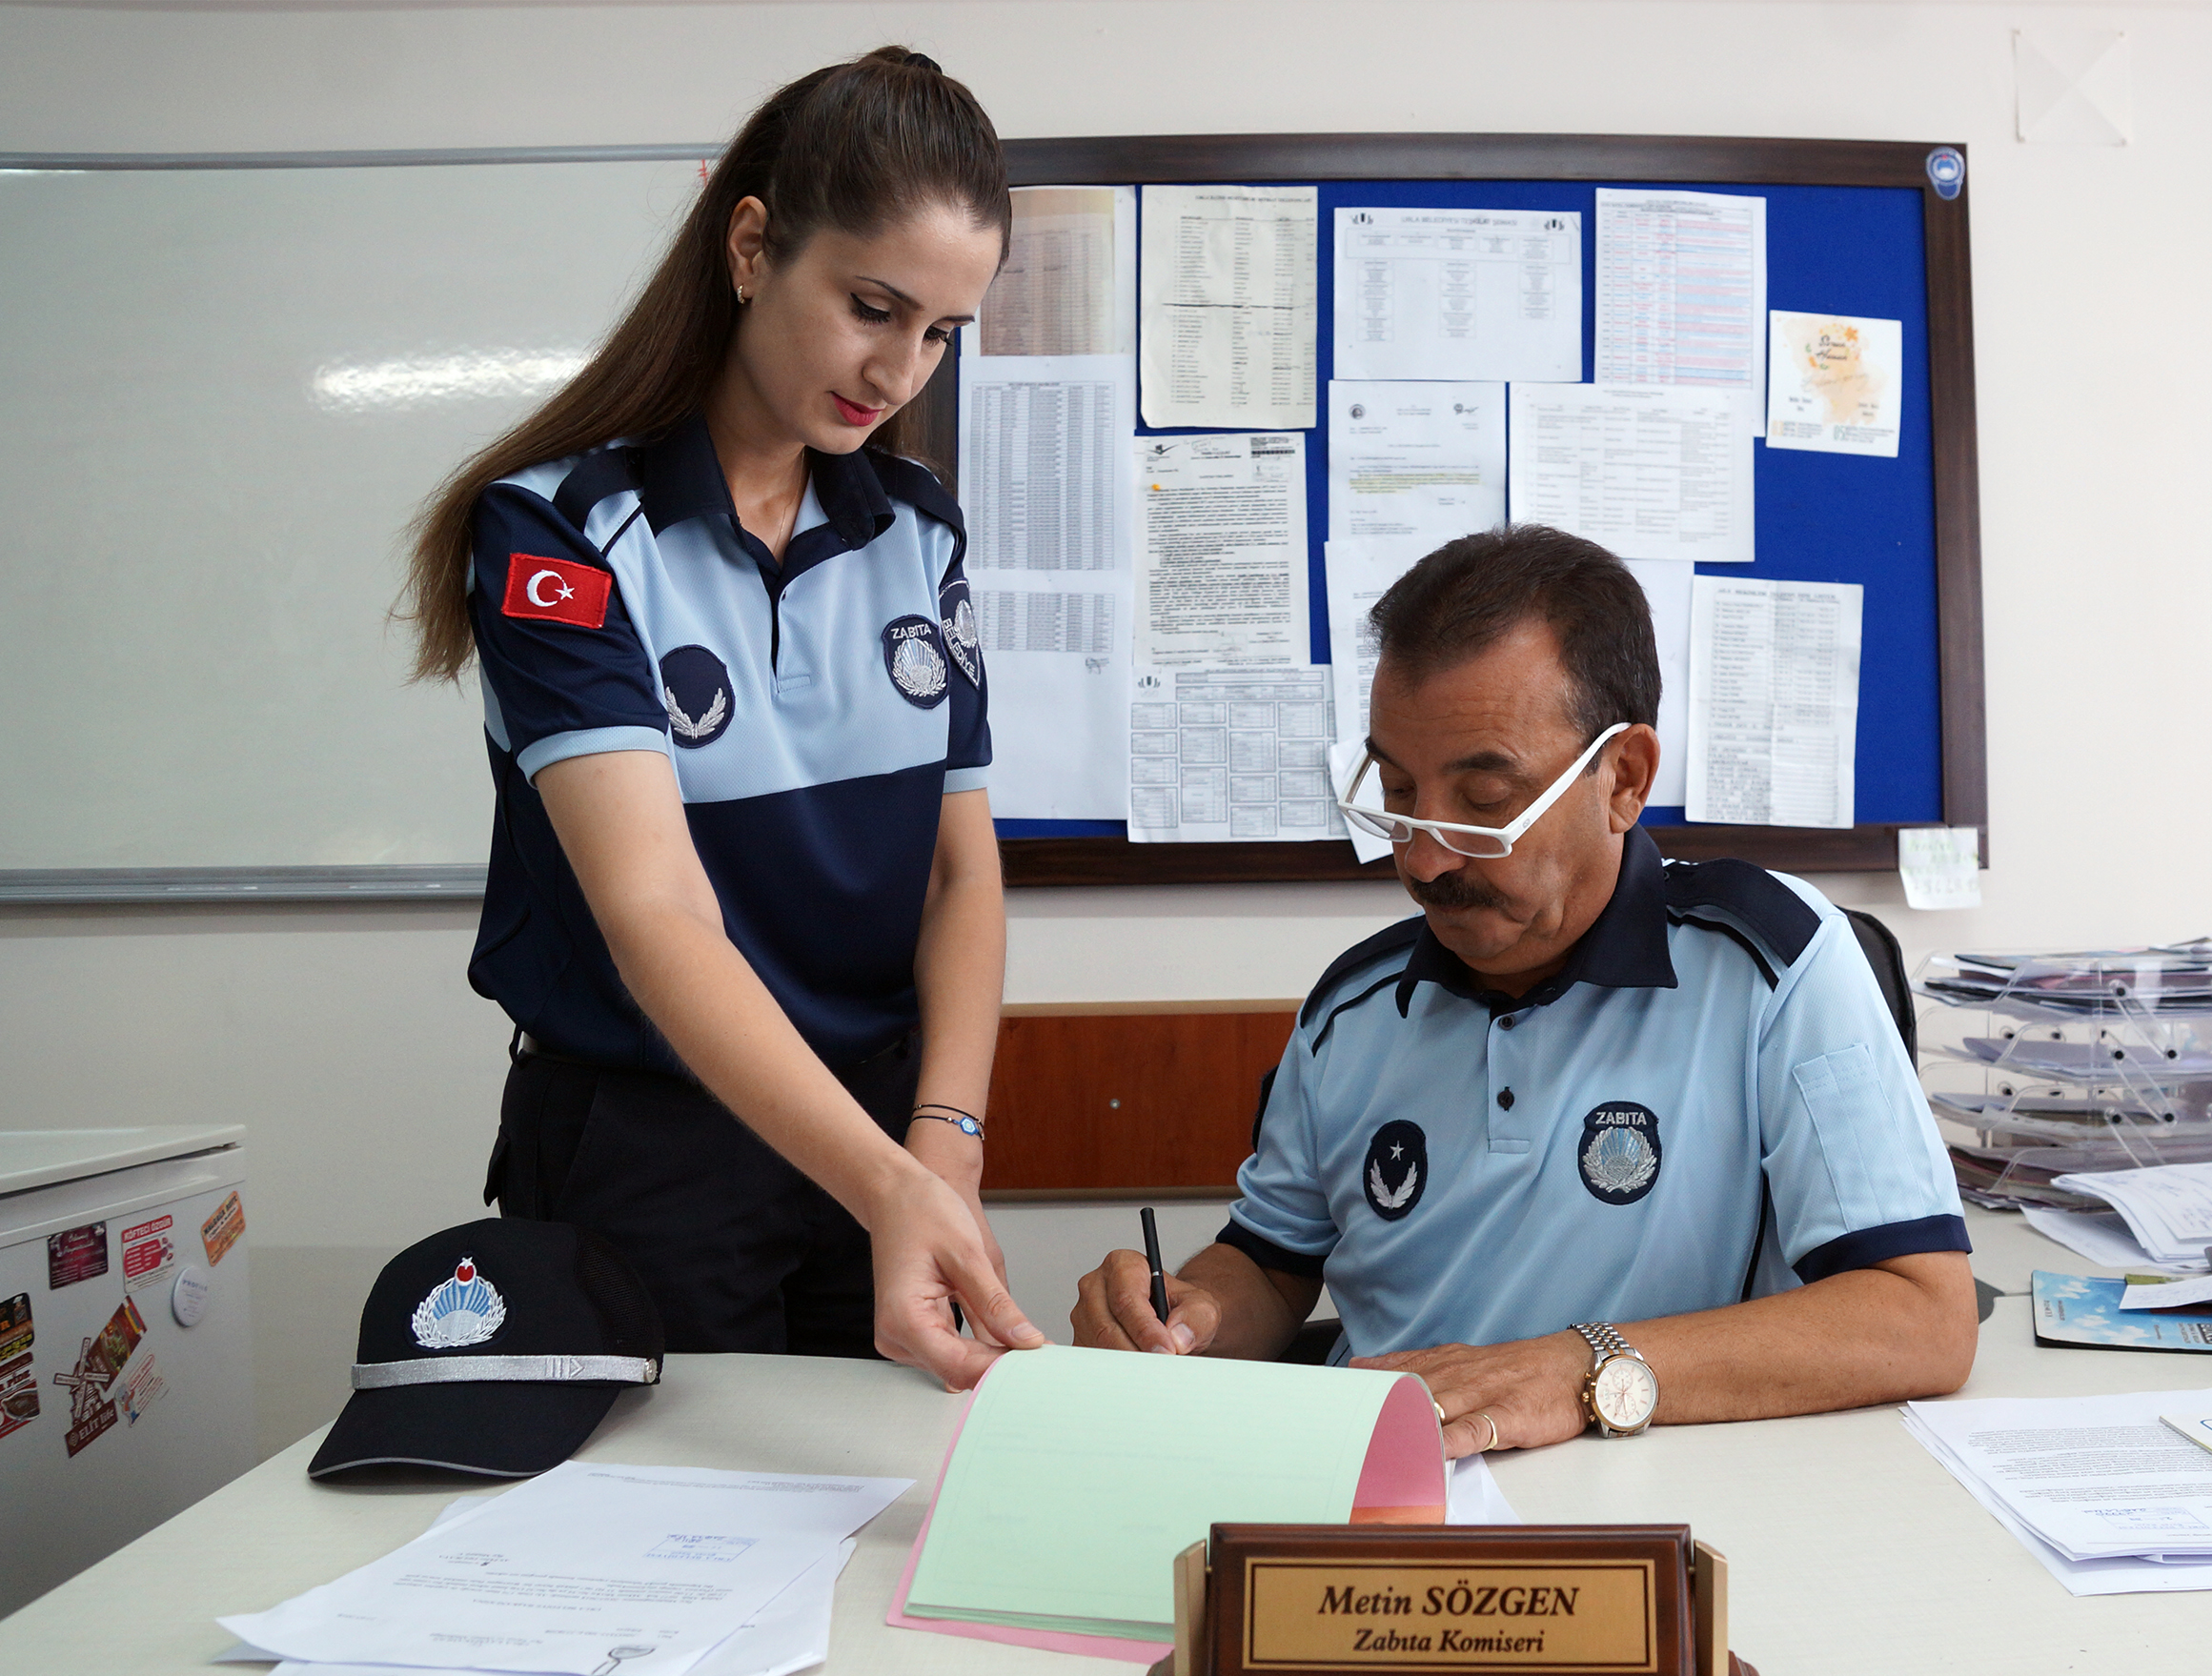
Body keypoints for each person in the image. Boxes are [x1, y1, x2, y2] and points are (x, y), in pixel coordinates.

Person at [402, 49, 1043, 1386]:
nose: (898, 369)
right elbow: (659, 913)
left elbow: (959, 873)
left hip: (885, 1127)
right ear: (752, 247)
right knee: (673, 1508)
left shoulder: (918, 526)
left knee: (893, 1490)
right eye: (871, 307)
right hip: (653, 1149)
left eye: (939, 331)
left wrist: (944, 1139)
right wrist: (892, 1181)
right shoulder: (560, 534)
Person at [1071, 526, 1977, 1456]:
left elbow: (1920, 1316)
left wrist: (1576, 1370)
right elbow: (1271, 1264)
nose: (1424, 858)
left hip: (1659, 1500)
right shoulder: (1353, 1007)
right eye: (1398, 789)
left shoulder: (1772, 961)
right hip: (1382, 1488)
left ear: (1623, 779)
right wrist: (1187, 1317)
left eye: (1484, 799)